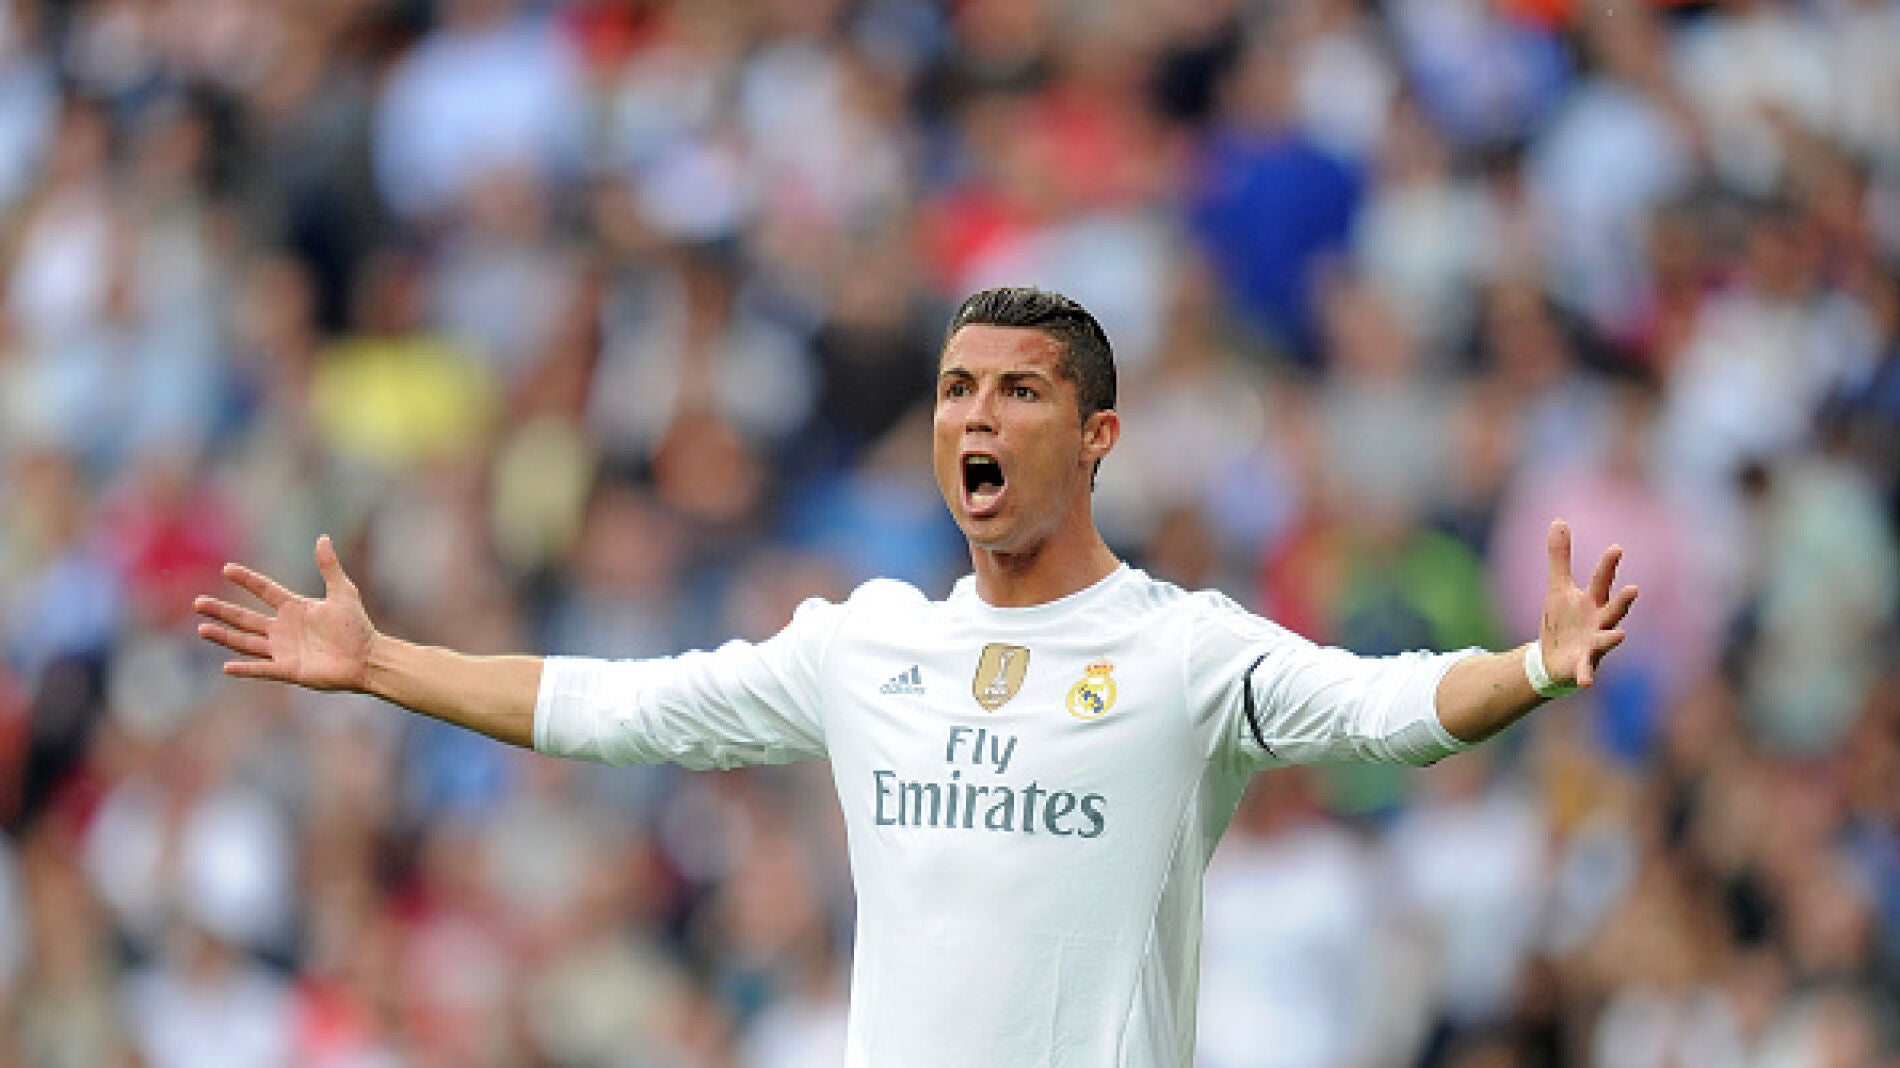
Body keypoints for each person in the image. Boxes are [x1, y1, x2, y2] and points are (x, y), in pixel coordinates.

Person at [195, 286, 1637, 1067]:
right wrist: (385, 663)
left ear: (1099, 438)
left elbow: (1389, 716)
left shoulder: (1186, 651)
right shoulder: (866, 643)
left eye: (1019, 389)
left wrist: (1532, 664)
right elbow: (617, 707)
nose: (978, 416)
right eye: (958, 389)